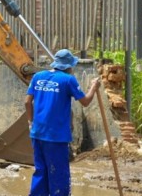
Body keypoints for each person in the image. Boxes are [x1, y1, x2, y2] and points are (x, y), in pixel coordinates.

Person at [26, 49, 101, 196]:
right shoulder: (68, 79)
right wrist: (94, 87)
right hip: (56, 136)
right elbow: (85, 101)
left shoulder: (38, 76)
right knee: (59, 174)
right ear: (69, 66)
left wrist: (30, 122)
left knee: (41, 171)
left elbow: (27, 102)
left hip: (37, 133)